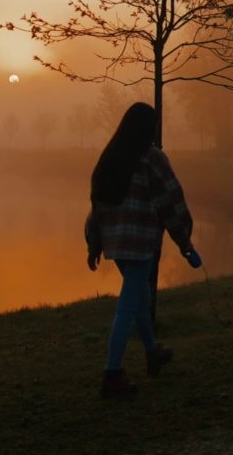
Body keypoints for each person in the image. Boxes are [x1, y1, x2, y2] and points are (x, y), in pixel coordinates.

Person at [85, 102, 203, 397]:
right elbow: (171, 203)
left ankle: (152, 352)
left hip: (116, 244)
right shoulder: (152, 158)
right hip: (141, 244)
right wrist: (185, 243)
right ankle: (112, 374)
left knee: (139, 298)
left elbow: (96, 206)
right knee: (127, 306)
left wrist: (94, 243)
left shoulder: (110, 159)